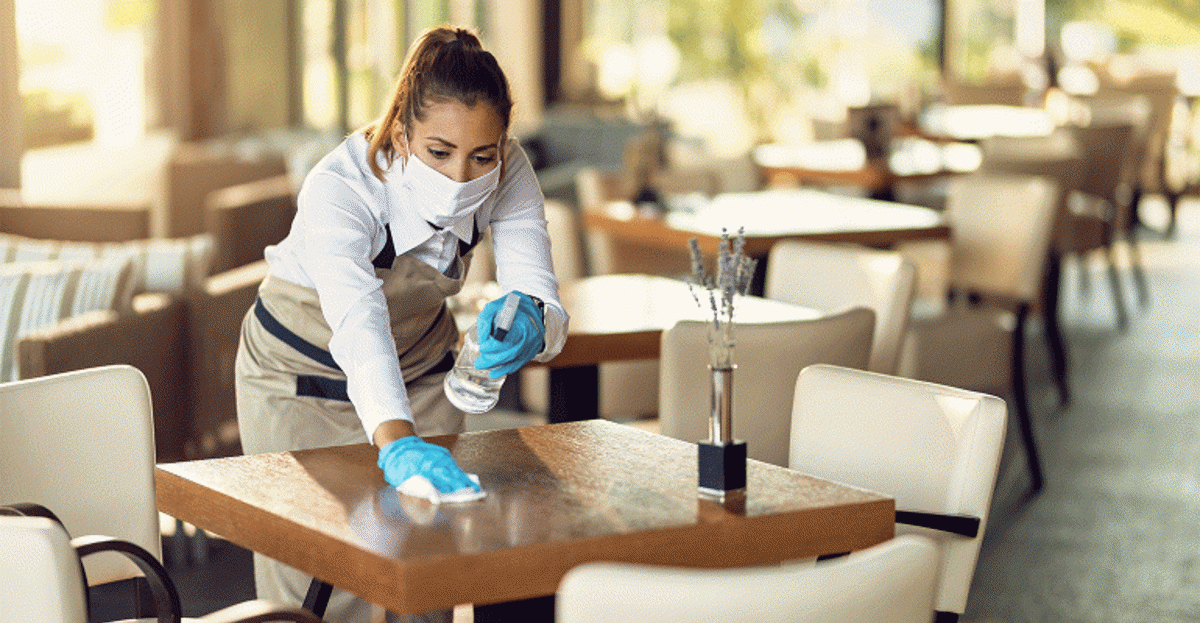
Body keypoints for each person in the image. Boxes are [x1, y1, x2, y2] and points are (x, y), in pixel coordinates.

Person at [234, 25, 568, 623]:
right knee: (325, 578)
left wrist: (533, 325)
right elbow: (359, 322)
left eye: (481, 155)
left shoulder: (509, 169)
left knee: (428, 569)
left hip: (422, 368)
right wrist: (397, 444)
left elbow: (535, 284)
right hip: (298, 377)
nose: (462, 177)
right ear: (401, 132)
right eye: (439, 152)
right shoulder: (341, 188)